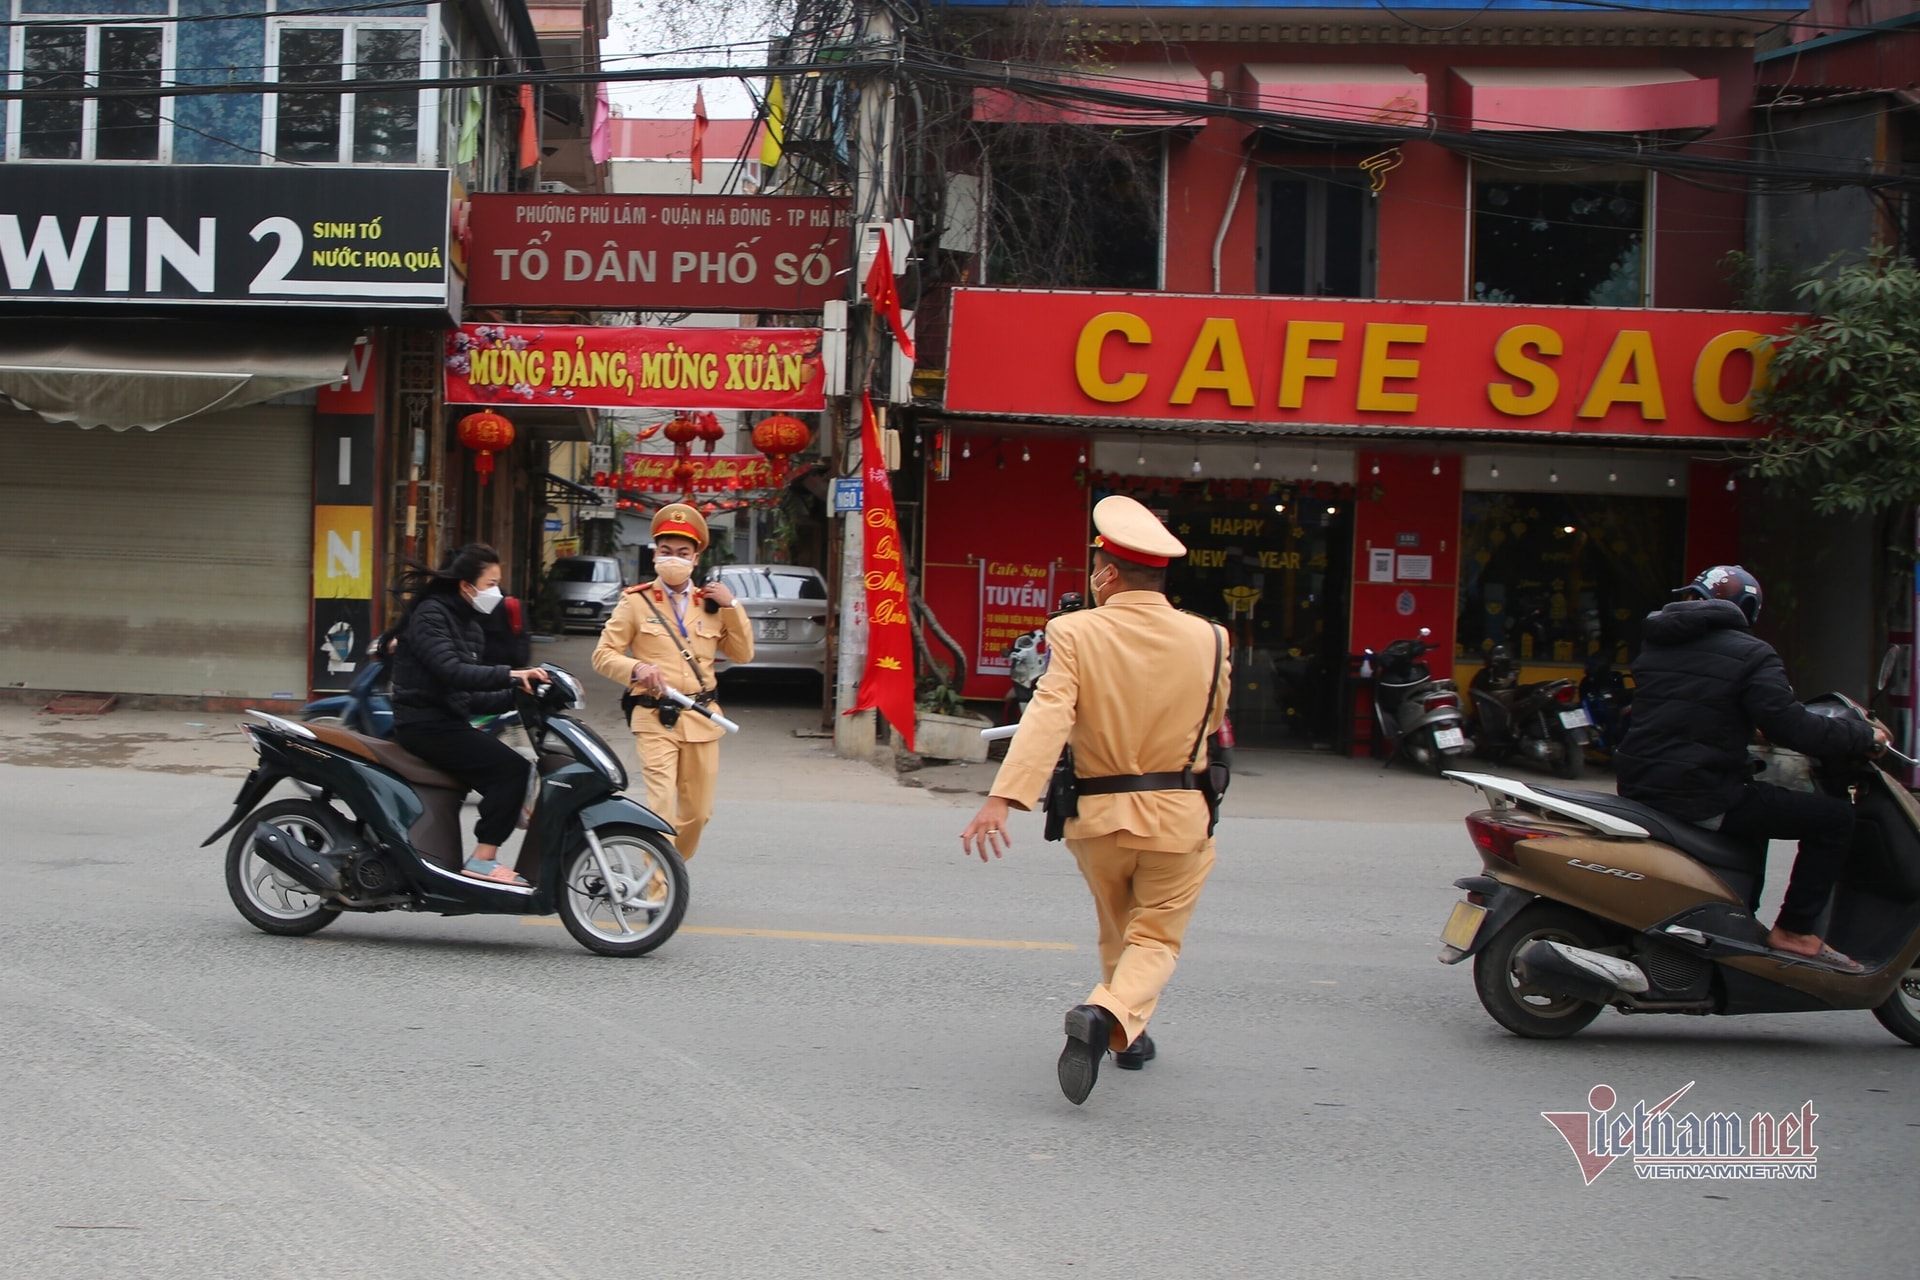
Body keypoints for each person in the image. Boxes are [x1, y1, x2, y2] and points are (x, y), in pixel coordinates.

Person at [961, 495, 1230, 1105]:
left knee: (1119, 928)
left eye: (1095, 564)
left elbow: (1049, 715)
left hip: (1098, 819)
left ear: (1107, 573)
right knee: (1155, 939)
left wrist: (1005, 797)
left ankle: (1126, 1037)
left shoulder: (1073, 630)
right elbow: (1212, 720)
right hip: (1181, 816)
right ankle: (1106, 1012)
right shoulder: (1211, 638)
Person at [1614, 564, 1888, 970]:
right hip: (1699, 791)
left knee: (1757, 814)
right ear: (1745, 609)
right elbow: (1790, 725)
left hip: (1643, 782)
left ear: (1693, 597)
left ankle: (1733, 925)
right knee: (1834, 818)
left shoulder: (1658, 643)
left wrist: (1749, 729)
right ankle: (1794, 930)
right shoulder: (1752, 653)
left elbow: (1693, 707)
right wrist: (1865, 738)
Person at [592, 504, 752, 863]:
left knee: (697, 814)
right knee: (660, 809)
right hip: (654, 718)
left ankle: (671, 867)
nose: (673, 559)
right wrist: (636, 669)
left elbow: (742, 653)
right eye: (666, 552)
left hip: (702, 717)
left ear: (696, 559)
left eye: (683, 553)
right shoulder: (635, 601)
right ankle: (657, 890)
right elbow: (603, 655)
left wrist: (733, 606)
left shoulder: (710, 604)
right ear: (655, 554)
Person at [388, 543, 548, 885]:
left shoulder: (470, 624)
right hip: (423, 724)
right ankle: (482, 860)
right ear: (466, 585)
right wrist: (511, 674)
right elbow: (453, 672)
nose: (498, 593)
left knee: (512, 765)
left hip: (447, 720)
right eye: (491, 584)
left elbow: (469, 696)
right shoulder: (432, 615)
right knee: (512, 770)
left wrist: (519, 696)